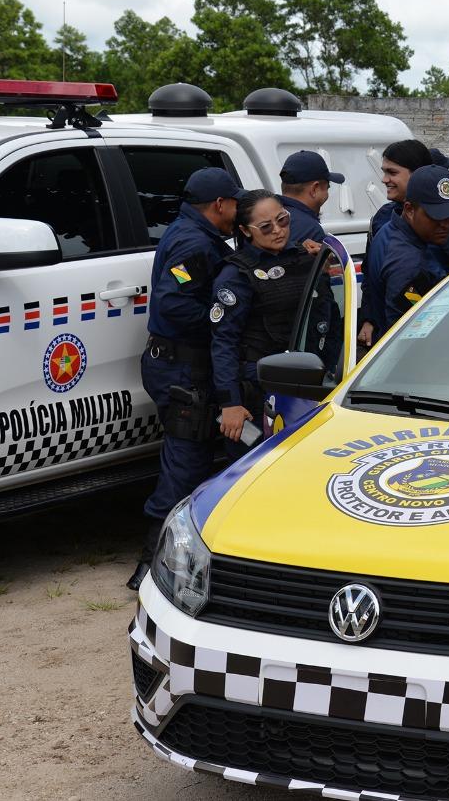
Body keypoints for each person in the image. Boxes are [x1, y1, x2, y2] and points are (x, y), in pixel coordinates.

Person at [130, 167, 245, 590]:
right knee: (183, 468)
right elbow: (175, 306)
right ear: (219, 205)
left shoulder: (192, 233)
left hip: (181, 364)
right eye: (235, 203)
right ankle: (149, 571)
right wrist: (225, 321)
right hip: (182, 368)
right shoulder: (195, 243)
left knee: (191, 462)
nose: (239, 209)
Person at [209, 191, 319, 454]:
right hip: (258, 391)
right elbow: (223, 343)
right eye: (266, 227)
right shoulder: (235, 276)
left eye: (283, 220)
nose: (279, 231)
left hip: (306, 385)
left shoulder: (306, 258)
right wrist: (230, 404)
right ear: (246, 231)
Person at [373, 165, 449, 339]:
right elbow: (408, 334)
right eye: (436, 216)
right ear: (409, 210)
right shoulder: (407, 263)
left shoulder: (390, 231)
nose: (445, 224)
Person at [277, 150, 343, 254]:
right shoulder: (310, 229)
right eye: (328, 187)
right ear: (314, 189)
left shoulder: (268, 218)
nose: (327, 194)